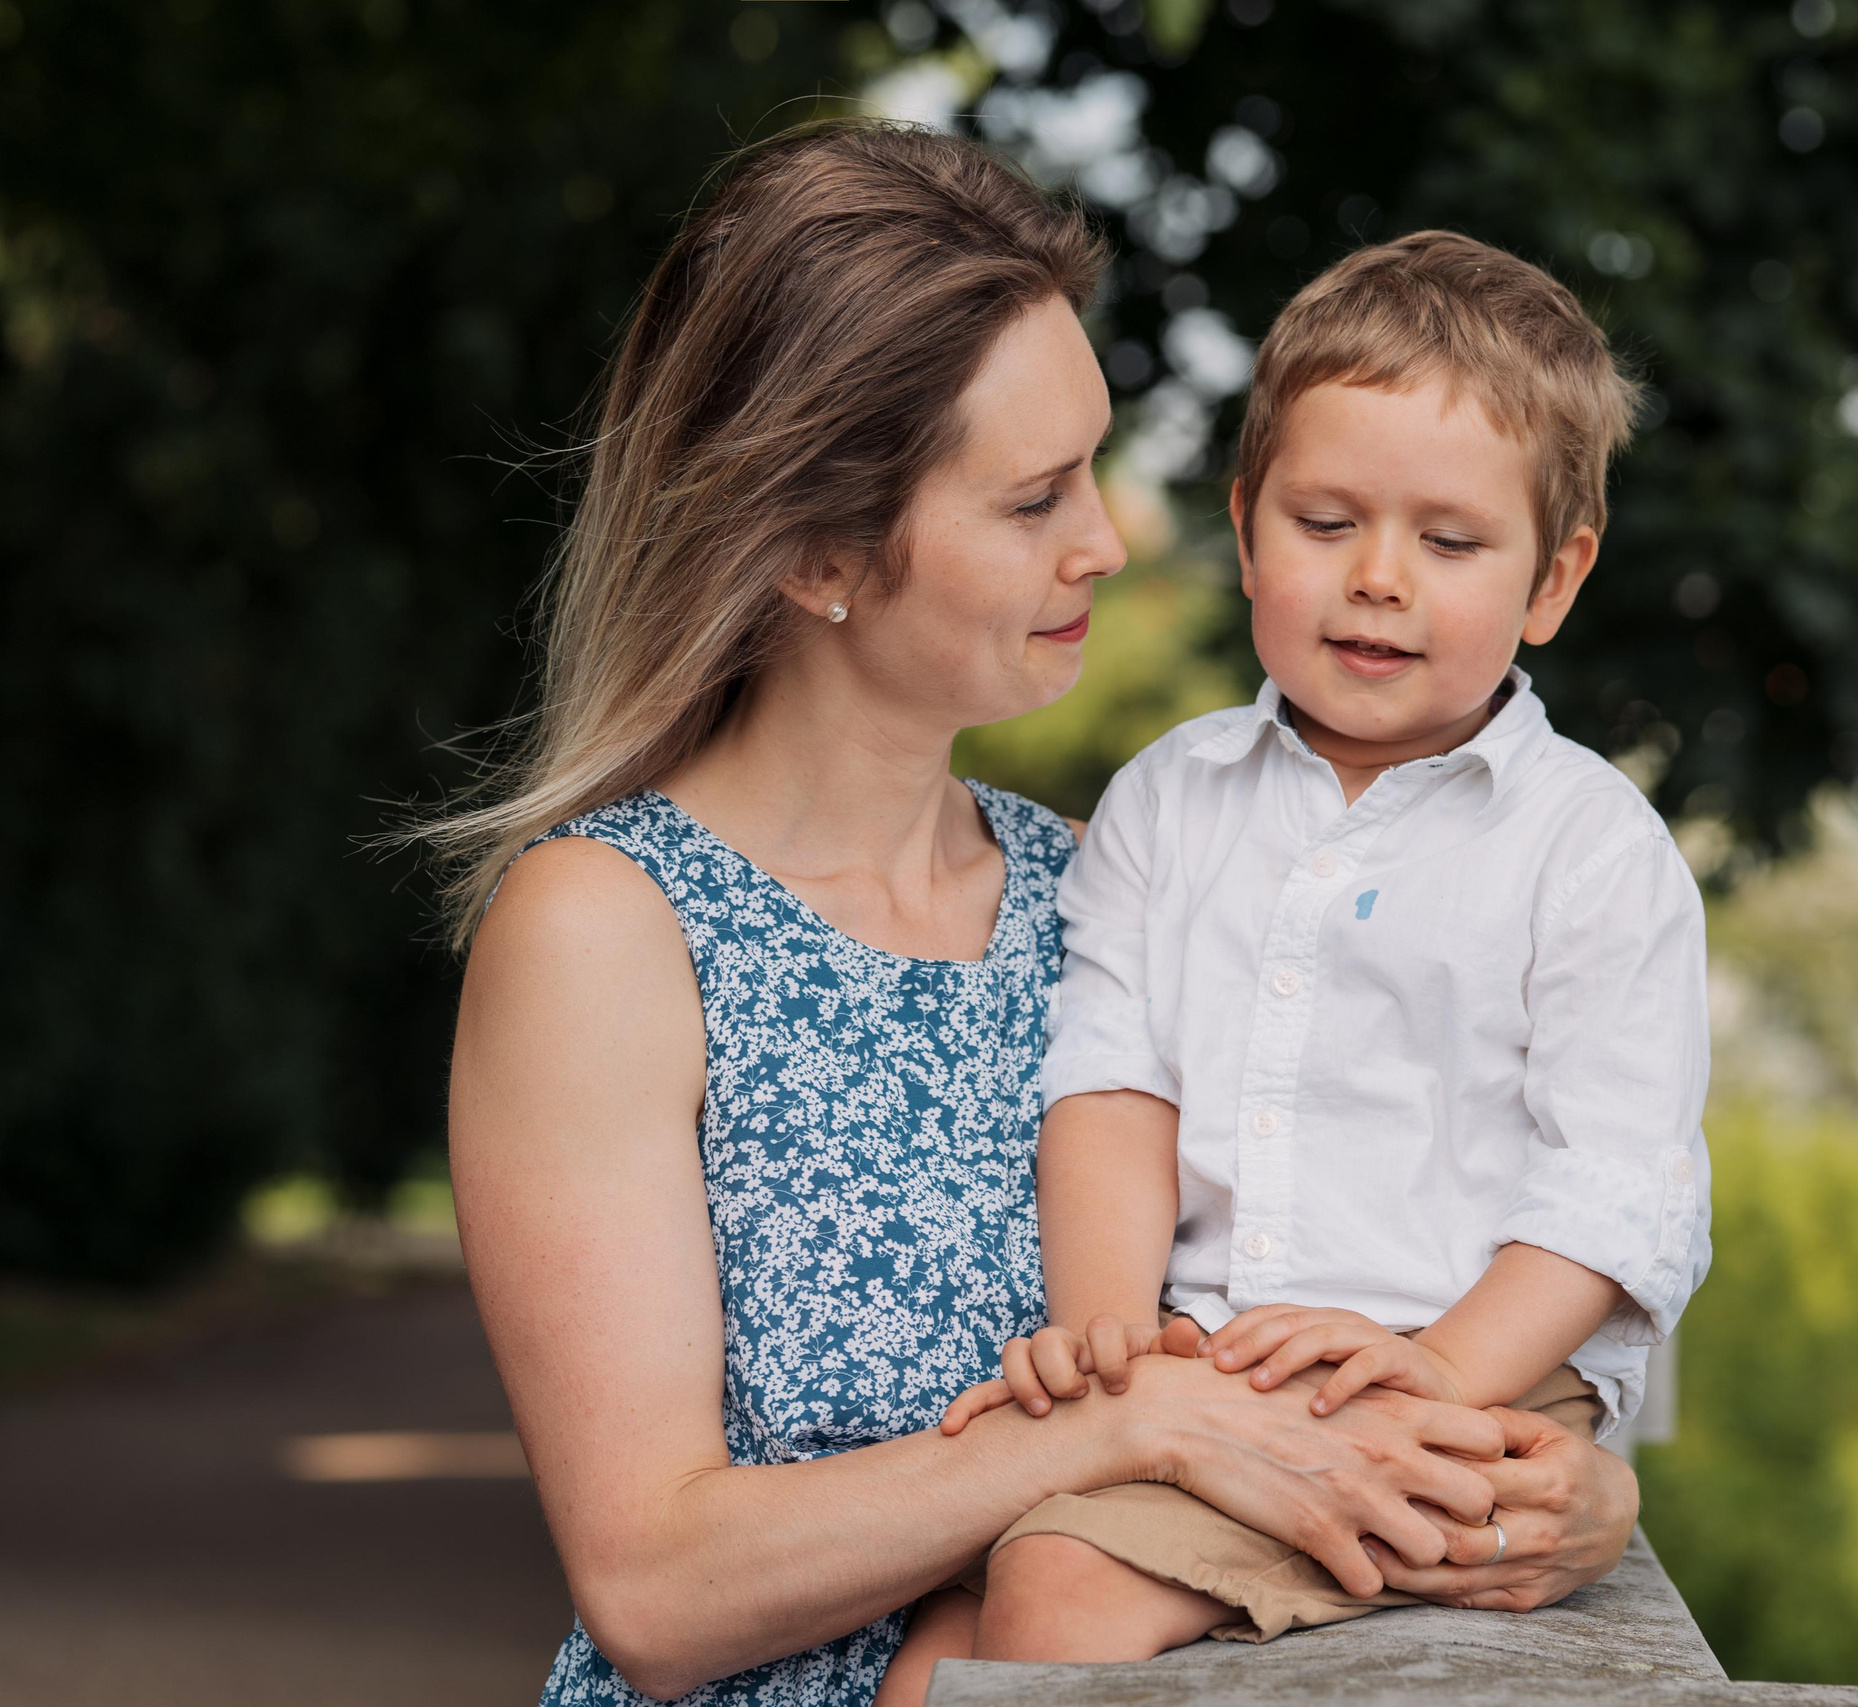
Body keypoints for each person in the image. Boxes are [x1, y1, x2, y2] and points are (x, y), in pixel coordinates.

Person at [435, 125, 1643, 1707]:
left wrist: (1565, 1490)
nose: (1111, 541)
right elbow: (655, 1586)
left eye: (1096, 465)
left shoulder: (1106, 882)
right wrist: (1126, 1427)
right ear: (820, 551)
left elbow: (1423, 1235)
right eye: (1034, 499)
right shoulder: (603, 931)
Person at [915, 232, 1713, 1673]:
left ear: (1554, 579)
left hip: (1485, 1380)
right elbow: (1112, 1081)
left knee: (1050, 1604)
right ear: (1244, 530)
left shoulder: (1592, 850)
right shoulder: (1169, 800)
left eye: (1452, 542)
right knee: (952, 1646)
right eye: (1326, 523)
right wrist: (1105, 1332)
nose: (1380, 581)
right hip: (1212, 1370)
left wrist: (1444, 1371)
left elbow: (1615, 1184)